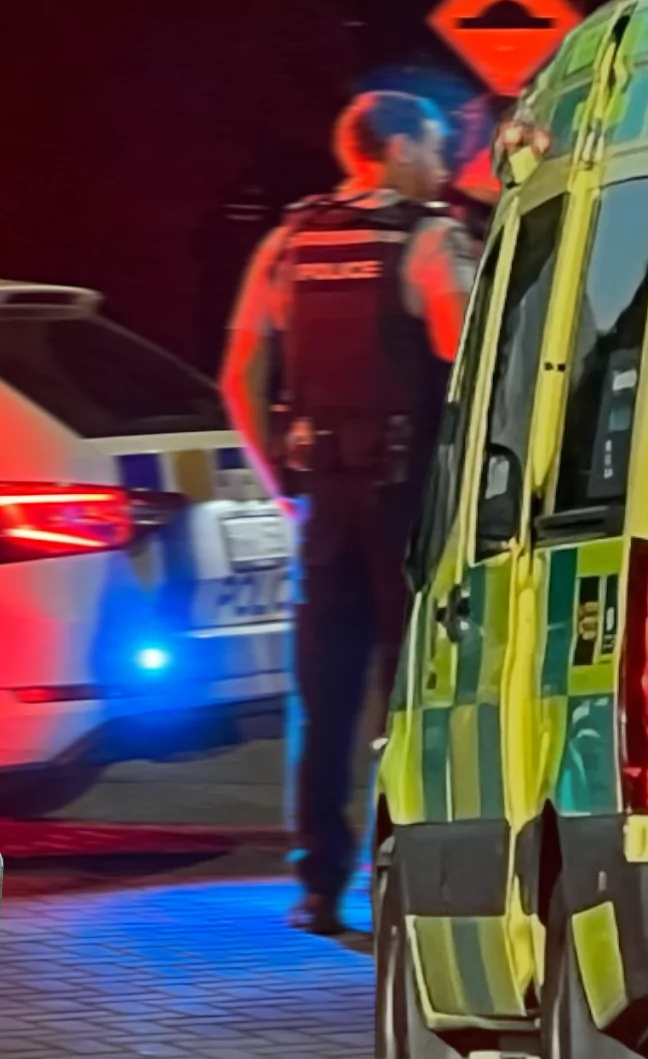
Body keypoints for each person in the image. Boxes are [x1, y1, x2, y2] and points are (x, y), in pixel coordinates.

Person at [219, 91, 480, 935]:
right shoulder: (427, 239)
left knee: (322, 699)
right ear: (398, 147)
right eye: (435, 147)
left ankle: (318, 886)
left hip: (319, 506)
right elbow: (469, 358)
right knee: (413, 697)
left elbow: (242, 375)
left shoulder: (290, 242)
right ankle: (403, 871)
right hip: (406, 503)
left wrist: (283, 483)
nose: (441, 165)